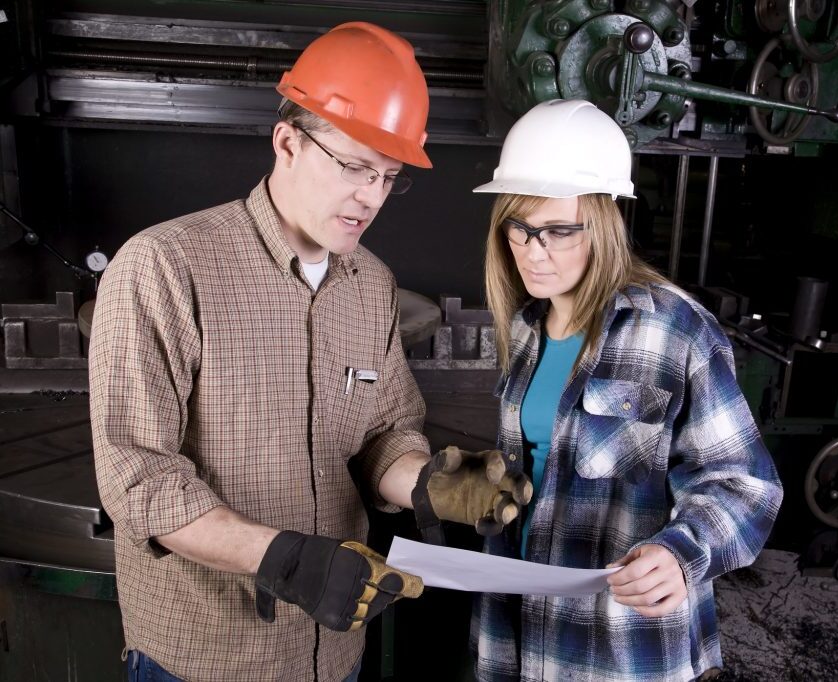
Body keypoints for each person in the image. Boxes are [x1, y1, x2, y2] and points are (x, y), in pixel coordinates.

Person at [89, 22, 528, 682]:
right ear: (287, 141)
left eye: (388, 176)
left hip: (331, 656)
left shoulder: (370, 283)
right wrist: (284, 559)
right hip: (205, 661)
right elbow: (138, 477)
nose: (371, 196)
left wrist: (431, 483)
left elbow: (384, 431)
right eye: (354, 166)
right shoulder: (165, 268)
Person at [470, 99, 784, 682]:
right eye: (520, 227)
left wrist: (680, 554)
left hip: (617, 646)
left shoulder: (673, 328)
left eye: (559, 231)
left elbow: (745, 486)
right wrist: (476, 478)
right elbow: (540, 466)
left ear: (605, 221)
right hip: (517, 628)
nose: (533, 251)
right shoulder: (522, 327)